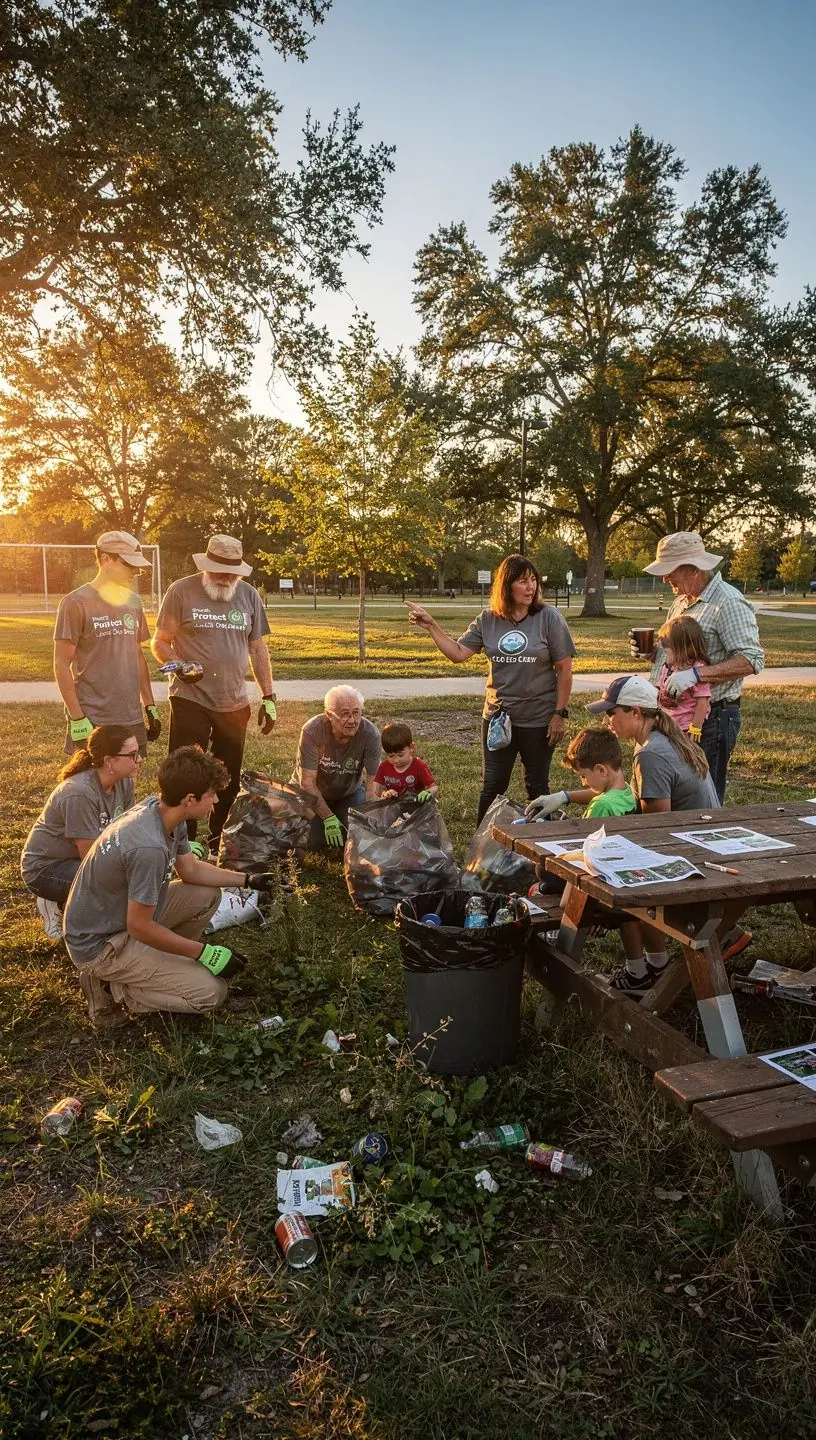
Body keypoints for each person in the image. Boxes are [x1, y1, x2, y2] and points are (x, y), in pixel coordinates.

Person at [63, 746, 278, 1027]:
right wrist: (202, 952)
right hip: (100, 945)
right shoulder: (148, 847)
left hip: (117, 919)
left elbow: (189, 869)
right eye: (211, 794)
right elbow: (139, 925)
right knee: (211, 992)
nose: (215, 800)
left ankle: (155, 963)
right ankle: (117, 988)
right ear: (190, 799)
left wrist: (248, 880)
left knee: (205, 895)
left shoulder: (160, 811)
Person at [586, 675, 747, 993]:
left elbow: (654, 830)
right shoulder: (662, 737)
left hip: (696, 860)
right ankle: (656, 965)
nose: (608, 721)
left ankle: (642, 973)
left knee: (615, 881)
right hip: (707, 844)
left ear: (635, 712)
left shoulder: (650, 754)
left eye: (612, 712)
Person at [406, 554, 576, 823]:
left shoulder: (549, 617)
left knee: (537, 786)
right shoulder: (488, 620)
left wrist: (560, 714)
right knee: (493, 786)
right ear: (506, 586)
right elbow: (459, 653)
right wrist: (432, 626)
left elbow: (564, 669)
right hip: (499, 718)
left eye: (533, 580)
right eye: (523, 581)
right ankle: (481, 849)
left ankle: (540, 847)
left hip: (539, 718)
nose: (531, 587)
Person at [151, 534, 276, 856]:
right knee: (185, 772)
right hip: (190, 696)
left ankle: (220, 838)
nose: (226, 578)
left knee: (229, 776)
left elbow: (257, 648)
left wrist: (269, 696)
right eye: (220, 571)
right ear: (207, 565)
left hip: (233, 701)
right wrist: (177, 665)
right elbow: (160, 642)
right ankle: (184, 840)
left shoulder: (248, 595)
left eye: (232, 572)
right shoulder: (181, 591)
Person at [632, 531, 764, 801]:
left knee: (704, 797)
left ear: (693, 568)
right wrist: (653, 654)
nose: (664, 578)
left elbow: (752, 660)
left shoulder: (728, 602)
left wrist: (695, 675)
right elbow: (677, 655)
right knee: (677, 792)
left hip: (710, 719)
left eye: (670, 571)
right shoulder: (681, 602)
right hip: (672, 717)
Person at [21, 725, 140, 938]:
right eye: (132, 755)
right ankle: (57, 902)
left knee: (130, 879)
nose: (139, 760)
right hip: (46, 867)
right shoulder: (79, 793)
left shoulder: (124, 784)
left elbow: (126, 832)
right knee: (115, 887)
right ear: (108, 761)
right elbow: (91, 858)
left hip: (80, 860)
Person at [54, 530, 161, 755]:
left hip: (130, 715)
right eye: (128, 565)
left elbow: (137, 656)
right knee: (90, 782)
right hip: (92, 716)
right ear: (106, 559)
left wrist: (149, 705)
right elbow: (61, 663)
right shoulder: (75, 603)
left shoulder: (133, 602)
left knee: (129, 780)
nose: (135, 572)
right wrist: (76, 717)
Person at [291, 686, 381, 849]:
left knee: (357, 835)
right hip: (311, 795)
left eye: (356, 712)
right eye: (345, 714)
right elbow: (307, 783)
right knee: (311, 841)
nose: (353, 720)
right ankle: (328, 819)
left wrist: (369, 820)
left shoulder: (370, 734)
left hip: (349, 793)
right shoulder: (312, 731)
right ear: (329, 715)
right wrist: (328, 818)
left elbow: (373, 784)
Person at [655, 615, 711, 740]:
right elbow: (660, 688)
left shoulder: (696, 670)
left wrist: (696, 728)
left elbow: (703, 702)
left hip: (685, 729)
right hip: (667, 724)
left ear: (681, 649)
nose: (664, 653)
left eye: (666, 650)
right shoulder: (668, 667)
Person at [375, 722, 438, 801]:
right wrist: (385, 793)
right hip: (393, 808)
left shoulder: (419, 766)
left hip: (415, 806)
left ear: (411, 747)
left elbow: (433, 787)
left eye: (400, 755)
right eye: (391, 756)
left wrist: (428, 792)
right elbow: (377, 791)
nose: (396, 760)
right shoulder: (384, 767)